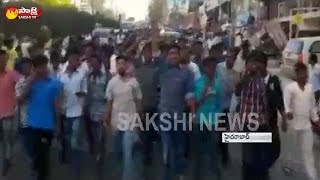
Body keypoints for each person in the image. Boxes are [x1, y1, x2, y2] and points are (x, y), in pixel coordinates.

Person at [20, 55, 62, 180]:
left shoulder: (54, 83)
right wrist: (30, 81)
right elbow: (21, 99)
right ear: (35, 68)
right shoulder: (31, 83)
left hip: (47, 125)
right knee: (33, 152)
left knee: (43, 154)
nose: (41, 69)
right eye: (38, 67)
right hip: (32, 124)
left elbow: (57, 106)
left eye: (43, 66)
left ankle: (42, 175)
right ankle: (38, 171)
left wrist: (58, 125)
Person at [158, 44, 195, 180]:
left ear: (180, 56)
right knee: (167, 148)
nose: (173, 56)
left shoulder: (187, 73)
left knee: (180, 148)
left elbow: (190, 95)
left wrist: (192, 114)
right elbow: (156, 48)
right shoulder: (162, 70)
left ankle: (180, 174)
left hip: (179, 116)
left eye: (175, 53)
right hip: (164, 116)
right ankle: (167, 174)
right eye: (170, 53)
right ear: (167, 57)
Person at [104, 55, 143, 180]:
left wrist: (139, 121)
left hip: (130, 123)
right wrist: (107, 119)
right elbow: (109, 103)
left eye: (122, 63)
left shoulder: (133, 82)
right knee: (118, 153)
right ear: (116, 66)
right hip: (116, 124)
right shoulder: (112, 82)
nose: (121, 65)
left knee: (128, 154)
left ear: (126, 65)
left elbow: (138, 101)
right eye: (118, 63)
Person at [236, 50, 272, 180]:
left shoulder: (266, 79)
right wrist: (248, 75)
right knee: (248, 157)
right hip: (246, 122)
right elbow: (237, 91)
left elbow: (266, 101)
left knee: (261, 156)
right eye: (251, 62)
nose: (254, 65)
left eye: (257, 62)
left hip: (262, 122)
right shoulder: (242, 75)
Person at [283, 62, 320, 180]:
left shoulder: (310, 88)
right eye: (302, 73)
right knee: (292, 150)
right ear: (297, 74)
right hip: (293, 126)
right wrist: (288, 113)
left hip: (306, 126)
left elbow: (313, 108)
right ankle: (287, 164)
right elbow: (286, 104)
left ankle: (313, 176)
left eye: (306, 73)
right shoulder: (290, 88)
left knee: (308, 154)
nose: (304, 76)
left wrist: (317, 120)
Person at [58, 48, 88, 179]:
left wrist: (82, 94)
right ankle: (67, 158)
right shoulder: (61, 74)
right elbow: (57, 92)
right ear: (69, 59)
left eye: (79, 60)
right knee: (67, 137)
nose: (78, 62)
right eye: (76, 59)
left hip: (77, 111)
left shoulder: (82, 74)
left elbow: (85, 90)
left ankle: (76, 168)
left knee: (75, 140)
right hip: (64, 111)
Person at [193, 57, 222, 180]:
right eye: (209, 67)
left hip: (213, 121)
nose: (212, 70)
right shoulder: (198, 83)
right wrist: (204, 95)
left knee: (214, 149)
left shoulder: (218, 83)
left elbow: (220, 102)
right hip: (200, 120)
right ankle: (197, 175)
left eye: (214, 67)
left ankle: (216, 174)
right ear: (204, 68)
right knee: (198, 150)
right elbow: (195, 104)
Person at [135, 42, 160, 173]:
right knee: (142, 133)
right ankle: (143, 157)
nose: (148, 54)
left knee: (149, 133)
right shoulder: (137, 69)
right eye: (146, 52)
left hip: (152, 106)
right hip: (140, 107)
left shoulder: (157, 69)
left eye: (150, 52)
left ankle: (148, 156)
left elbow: (159, 88)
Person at [216, 47, 241, 166]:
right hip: (214, 104)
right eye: (227, 57)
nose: (229, 59)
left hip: (226, 106)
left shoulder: (237, 74)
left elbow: (237, 92)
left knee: (222, 131)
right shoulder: (218, 67)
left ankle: (225, 156)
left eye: (232, 57)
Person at [0, 49, 21, 176]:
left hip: (8, 113)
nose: (2, 61)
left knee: (7, 139)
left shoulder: (12, 74)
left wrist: (18, 99)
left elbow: (23, 83)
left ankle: (6, 160)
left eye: (4, 59)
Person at [15, 58, 33, 165]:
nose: (27, 69)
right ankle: (31, 160)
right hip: (23, 117)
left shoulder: (37, 82)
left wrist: (24, 95)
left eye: (29, 67)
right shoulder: (19, 82)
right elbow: (19, 99)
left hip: (35, 117)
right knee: (25, 142)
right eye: (25, 67)